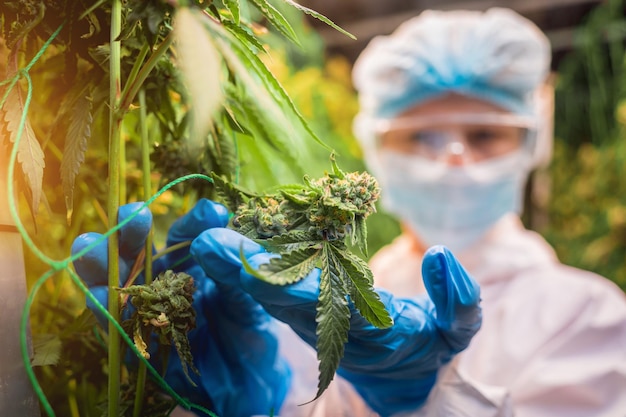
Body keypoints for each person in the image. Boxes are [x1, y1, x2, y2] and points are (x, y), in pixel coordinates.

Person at [70, 7, 626, 417]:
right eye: (421, 137)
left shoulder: (589, 317)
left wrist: (425, 400)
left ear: (533, 144)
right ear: (378, 152)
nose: (455, 155)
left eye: (485, 134)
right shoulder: (317, 299)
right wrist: (242, 406)